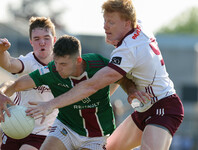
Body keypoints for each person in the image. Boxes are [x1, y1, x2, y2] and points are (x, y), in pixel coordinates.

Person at [25, 0, 185, 149]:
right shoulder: (139, 27)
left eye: (111, 22)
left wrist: (50, 104)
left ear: (127, 23)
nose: (105, 27)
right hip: (144, 108)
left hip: (164, 107)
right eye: (105, 21)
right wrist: (131, 90)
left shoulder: (127, 50)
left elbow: (91, 85)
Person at [0, 35, 145, 150]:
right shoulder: (51, 70)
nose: (58, 68)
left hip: (97, 135)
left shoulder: (98, 63)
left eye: (63, 64)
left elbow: (121, 78)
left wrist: (131, 91)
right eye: (56, 62)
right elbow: (16, 85)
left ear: (78, 61)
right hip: (66, 127)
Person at [0, 16, 58, 150]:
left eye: (46, 38)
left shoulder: (62, 65)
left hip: (43, 132)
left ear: (54, 40)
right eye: (37, 39)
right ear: (31, 42)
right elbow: (9, 63)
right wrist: (1, 52)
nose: (42, 42)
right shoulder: (29, 61)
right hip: (15, 125)